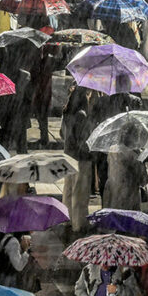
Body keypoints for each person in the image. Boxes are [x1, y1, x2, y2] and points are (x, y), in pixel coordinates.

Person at [61, 86, 94, 233]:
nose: (89, 97)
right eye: (87, 94)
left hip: (68, 154)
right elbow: (83, 140)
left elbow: (62, 134)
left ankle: (67, 219)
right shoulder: (82, 115)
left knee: (68, 189)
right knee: (79, 191)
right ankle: (79, 222)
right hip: (81, 157)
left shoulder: (67, 113)